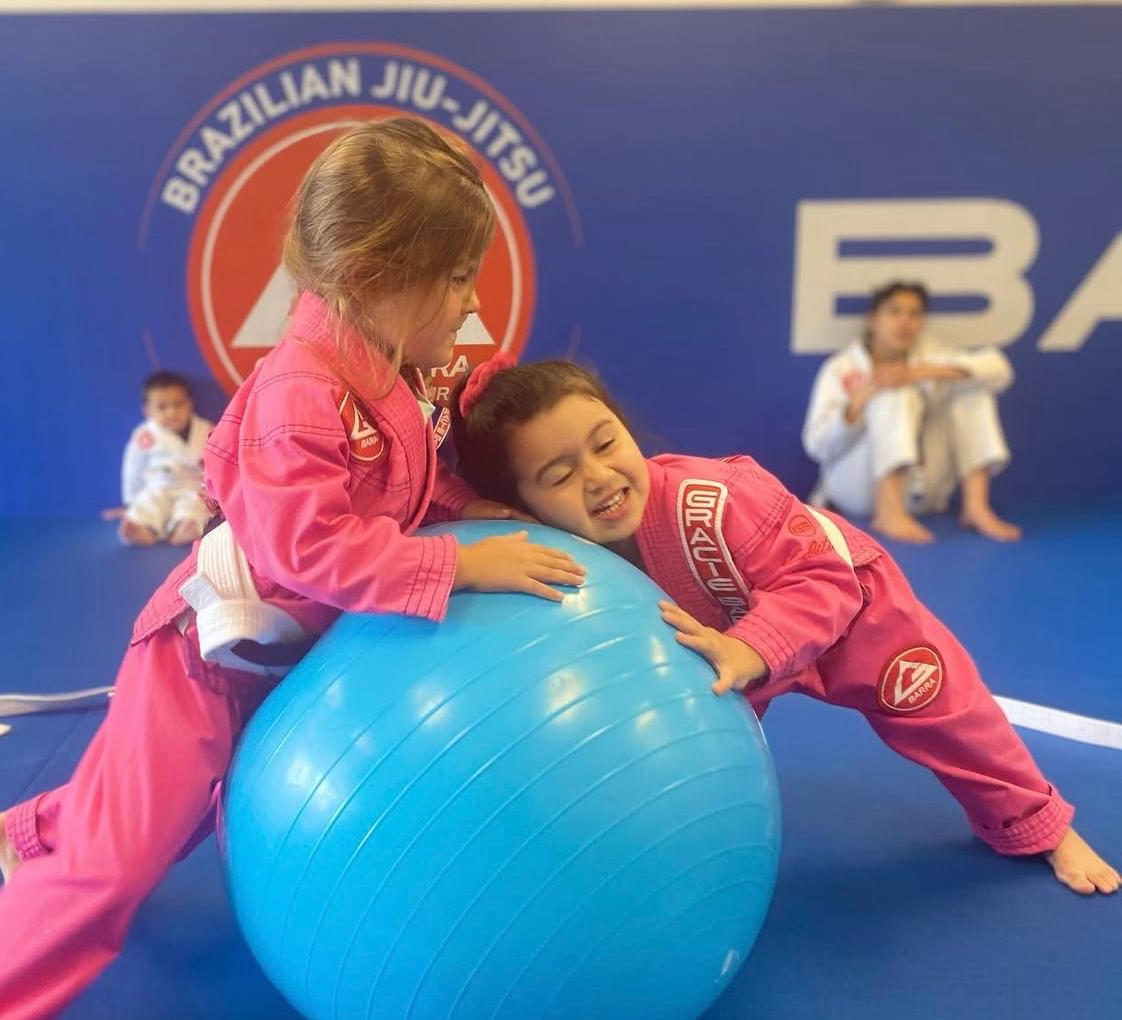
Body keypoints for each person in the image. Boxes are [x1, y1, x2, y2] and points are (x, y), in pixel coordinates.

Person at [0, 117, 584, 1019]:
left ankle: (31, 831)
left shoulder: (390, 365)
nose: (472, 303)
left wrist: (471, 511)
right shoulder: (301, 391)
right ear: (372, 277)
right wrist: (457, 568)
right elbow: (306, 546)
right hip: (203, 655)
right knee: (114, 866)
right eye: (459, 276)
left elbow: (401, 484)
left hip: (275, 656)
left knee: (179, 812)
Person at [450, 355, 1118, 897]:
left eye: (606, 444)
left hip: (849, 612)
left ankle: (1039, 821)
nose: (598, 478)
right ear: (522, 505)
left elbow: (822, 580)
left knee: (947, 710)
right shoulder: (548, 544)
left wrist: (750, 647)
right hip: (721, 653)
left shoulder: (713, 501)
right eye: (559, 475)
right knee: (685, 758)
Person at [802, 281, 1020, 543]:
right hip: (857, 490)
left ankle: (976, 507)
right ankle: (889, 512)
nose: (905, 322)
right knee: (892, 393)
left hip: (922, 494)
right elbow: (816, 446)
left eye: (914, 314)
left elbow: (999, 369)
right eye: (894, 312)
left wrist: (915, 373)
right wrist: (855, 406)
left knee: (971, 386)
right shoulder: (840, 368)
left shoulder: (931, 355)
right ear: (872, 319)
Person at [116, 370, 213, 546]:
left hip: (192, 485)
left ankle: (186, 527)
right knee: (148, 503)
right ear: (147, 410)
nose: (172, 412)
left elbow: (216, 462)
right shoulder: (145, 435)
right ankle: (140, 527)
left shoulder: (206, 429)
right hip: (158, 485)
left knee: (196, 505)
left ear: (190, 403)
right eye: (162, 407)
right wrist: (130, 500)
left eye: (178, 404)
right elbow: (133, 468)